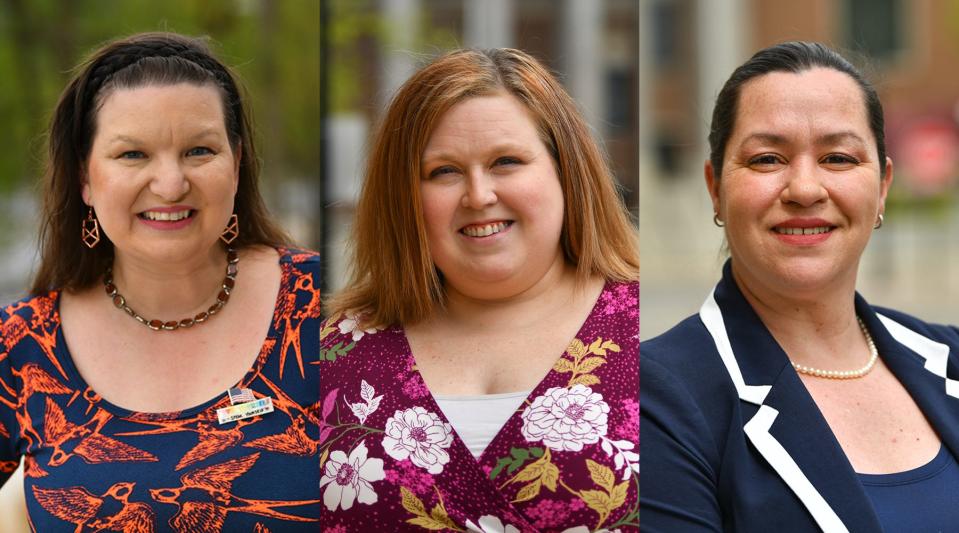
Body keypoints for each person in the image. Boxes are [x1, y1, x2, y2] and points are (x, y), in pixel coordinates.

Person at [0, 32, 320, 530]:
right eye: (133, 155)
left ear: (236, 165)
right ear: (84, 177)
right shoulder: (20, 346)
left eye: (199, 150)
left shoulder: (326, 306)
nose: (170, 184)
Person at [641, 41, 959, 532]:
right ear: (716, 188)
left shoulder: (950, 355)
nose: (805, 189)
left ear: (882, 188)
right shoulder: (656, 398)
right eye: (767, 159)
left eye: (838, 158)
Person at [320, 48, 639, 532]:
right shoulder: (330, 357)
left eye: (506, 161)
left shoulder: (653, 335)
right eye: (443, 171)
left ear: (565, 171)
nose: (478, 195)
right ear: (404, 196)